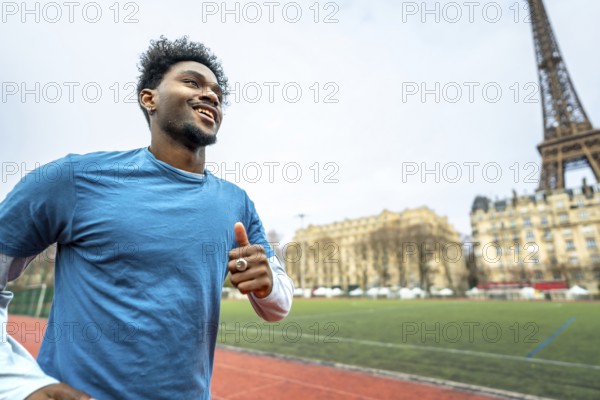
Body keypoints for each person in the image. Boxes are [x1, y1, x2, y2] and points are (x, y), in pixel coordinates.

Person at [0, 36, 294, 399]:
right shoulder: (72, 179)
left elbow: (277, 306)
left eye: (217, 92)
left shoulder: (237, 203)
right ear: (149, 98)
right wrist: (21, 384)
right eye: (192, 82)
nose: (211, 95)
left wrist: (266, 286)